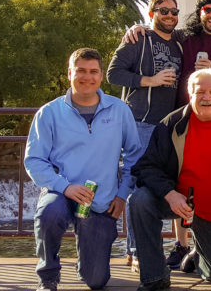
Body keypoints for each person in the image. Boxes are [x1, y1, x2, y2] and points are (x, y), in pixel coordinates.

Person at [25, 48, 143, 291]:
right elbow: (34, 160)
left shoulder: (120, 110)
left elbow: (135, 157)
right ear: (70, 73)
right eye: (80, 71)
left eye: (93, 71)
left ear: (101, 76)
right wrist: (65, 187)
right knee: (49, 213)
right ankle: (48, 276)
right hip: (61, 192)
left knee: (96, 280)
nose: (87, 77)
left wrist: (122, 195)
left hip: (101, 199)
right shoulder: (49, 113)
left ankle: (87, 262)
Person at [128, 69, 211, 291]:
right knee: (139, 200)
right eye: (200, 92)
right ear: (189, 94)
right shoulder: (171, 123)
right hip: (179, 204)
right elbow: (145, 166)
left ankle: (198, 251)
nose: (207, 97)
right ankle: (154, 277)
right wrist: (170, 193)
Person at [107, 0, 184, 270]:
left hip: (168, 128)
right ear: (152, 12)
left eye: (174, 11)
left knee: (162, 185)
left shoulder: (179, 43)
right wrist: (149, 80)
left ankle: (148, 249)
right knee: (137, 185)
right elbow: (113, 74)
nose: (169, 16)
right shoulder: (138, 39)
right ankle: (138, 251)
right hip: (140, 123)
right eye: (163, 10)